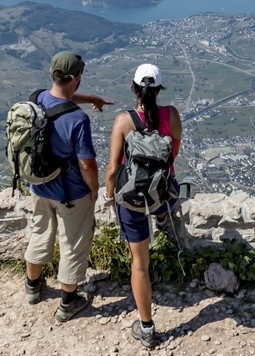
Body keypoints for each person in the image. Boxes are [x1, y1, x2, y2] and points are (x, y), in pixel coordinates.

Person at [23, 50, 113, 323]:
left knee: (39, 233)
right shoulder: (78, 120)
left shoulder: (36, 98)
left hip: (39, 186)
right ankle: (68, 303)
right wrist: (94, 190)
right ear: (77, 77)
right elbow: (87, 164)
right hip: (71, 194)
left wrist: (91, 99)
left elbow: (61, 98)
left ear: (52, 74)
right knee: (72, 245)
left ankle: (32, 288)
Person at [104, 63, 182, 348]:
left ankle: (146, 327)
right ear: (159, 90)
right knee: (162, 215)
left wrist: (109, 197)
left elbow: (113, 169)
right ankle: (164, 222)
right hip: (162, 193)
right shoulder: (171, 115)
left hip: (132, 199)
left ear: (134, 88)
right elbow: (173, 154)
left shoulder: (123, 121)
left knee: (139, 263)